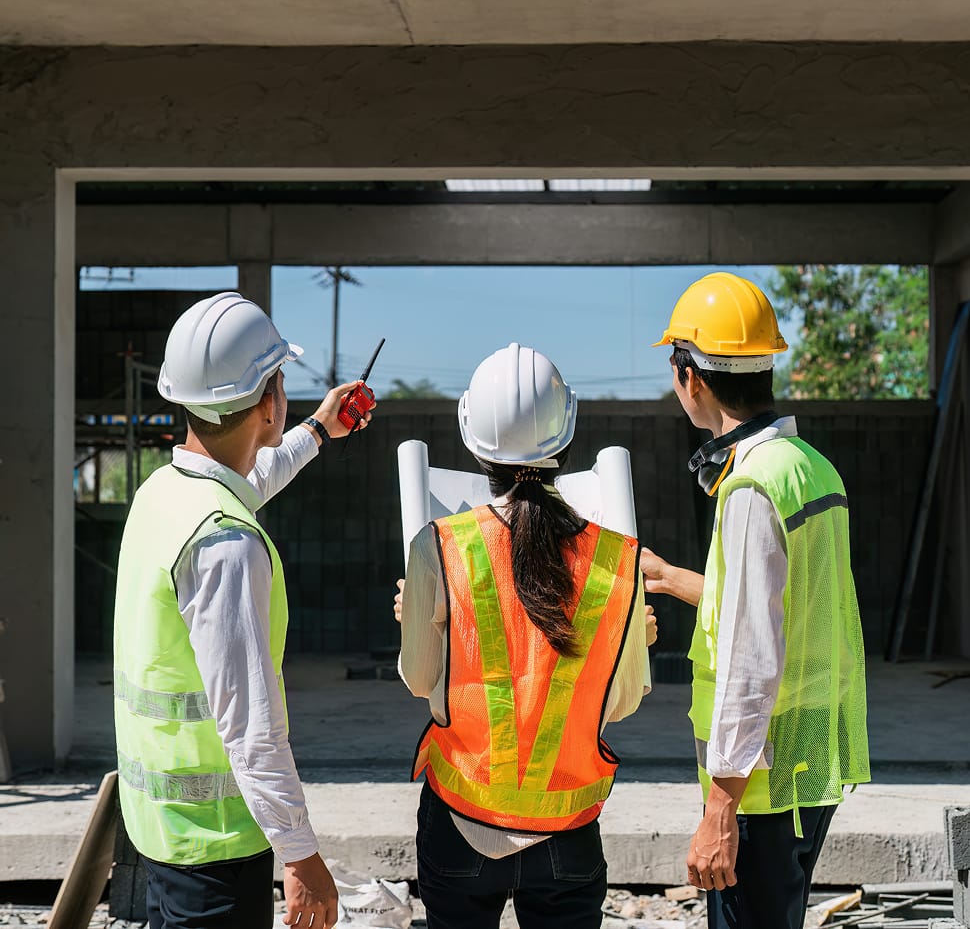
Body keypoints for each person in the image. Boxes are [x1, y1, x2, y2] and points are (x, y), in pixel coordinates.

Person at [113, 291, 374, 929]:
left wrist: (317, 430)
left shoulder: (163, 493)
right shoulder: (226, 545)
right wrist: (301, 854)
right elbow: (251, 728)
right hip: (217, 849)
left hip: (160, 831)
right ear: (268, 401)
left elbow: (244, 480)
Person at [395, 342, 656, 929]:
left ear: (472, 436)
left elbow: (419, 678)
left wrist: (419, 621)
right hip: (568, 834)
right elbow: (624, 700)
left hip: (461, 822)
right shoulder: (619, 559)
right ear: (564, 437)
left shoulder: (439, 546)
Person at [639, 273, 870, 929]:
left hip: (760, 787)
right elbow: (779, 606)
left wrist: (720, 809)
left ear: (693, 378)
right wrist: (673, 577)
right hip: (804, 768)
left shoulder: (749, 487)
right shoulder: (808, 466)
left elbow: (752, 657)